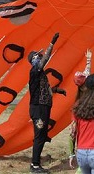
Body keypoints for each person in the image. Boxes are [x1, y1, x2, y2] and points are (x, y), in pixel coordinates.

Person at [28, 32, 66, 173]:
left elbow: (45, 89)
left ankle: (36, 164)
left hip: (43, 108)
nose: (40, 57)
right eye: (37, 56)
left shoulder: (40, 73)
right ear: (33, 60)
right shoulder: (34, 71)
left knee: (42, 136)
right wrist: (51, 43)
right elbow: (45, 60)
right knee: (39, 136)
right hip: (38, 109)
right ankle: (34, 166)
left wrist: (57, 90)